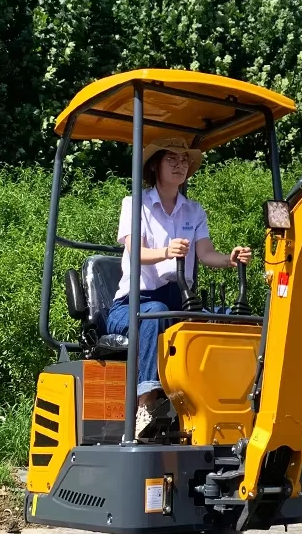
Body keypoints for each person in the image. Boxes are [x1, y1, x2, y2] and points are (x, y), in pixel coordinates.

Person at [106, 136, 252, 437]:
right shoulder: (135, 204)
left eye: (184, 160)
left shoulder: (193, 211)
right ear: (155, 165)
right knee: (155, 315)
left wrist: (230, 259)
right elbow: (136, 253)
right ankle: (146, 407)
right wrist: (166, 252)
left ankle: (222, 408)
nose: (179, 165)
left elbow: (206, 254)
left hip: (177, 302)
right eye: (171, 158)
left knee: (222, 317)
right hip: (131, 304)